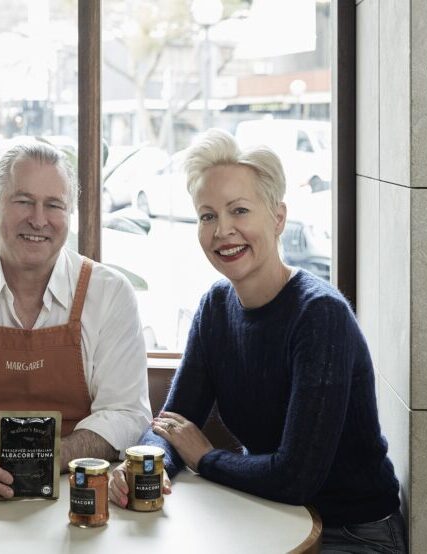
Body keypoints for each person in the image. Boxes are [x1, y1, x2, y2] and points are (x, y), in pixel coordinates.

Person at [109, 129, 406, 553]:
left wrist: (205, 458)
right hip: (267, 511)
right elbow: (174, 422)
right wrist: (146, 464)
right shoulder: (215, 307)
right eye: (207, 215)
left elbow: (296, 477)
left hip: (352, 532)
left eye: (239, 210)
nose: (222, 230)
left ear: (278, 217)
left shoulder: (320, 315)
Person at [0, 141, 151, 500]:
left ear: (69, 214)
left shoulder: (110, 295)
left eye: (54, 205)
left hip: (79, 494)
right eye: (23, 201)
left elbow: (125, 413)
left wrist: (54, 457)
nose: (38, 219)